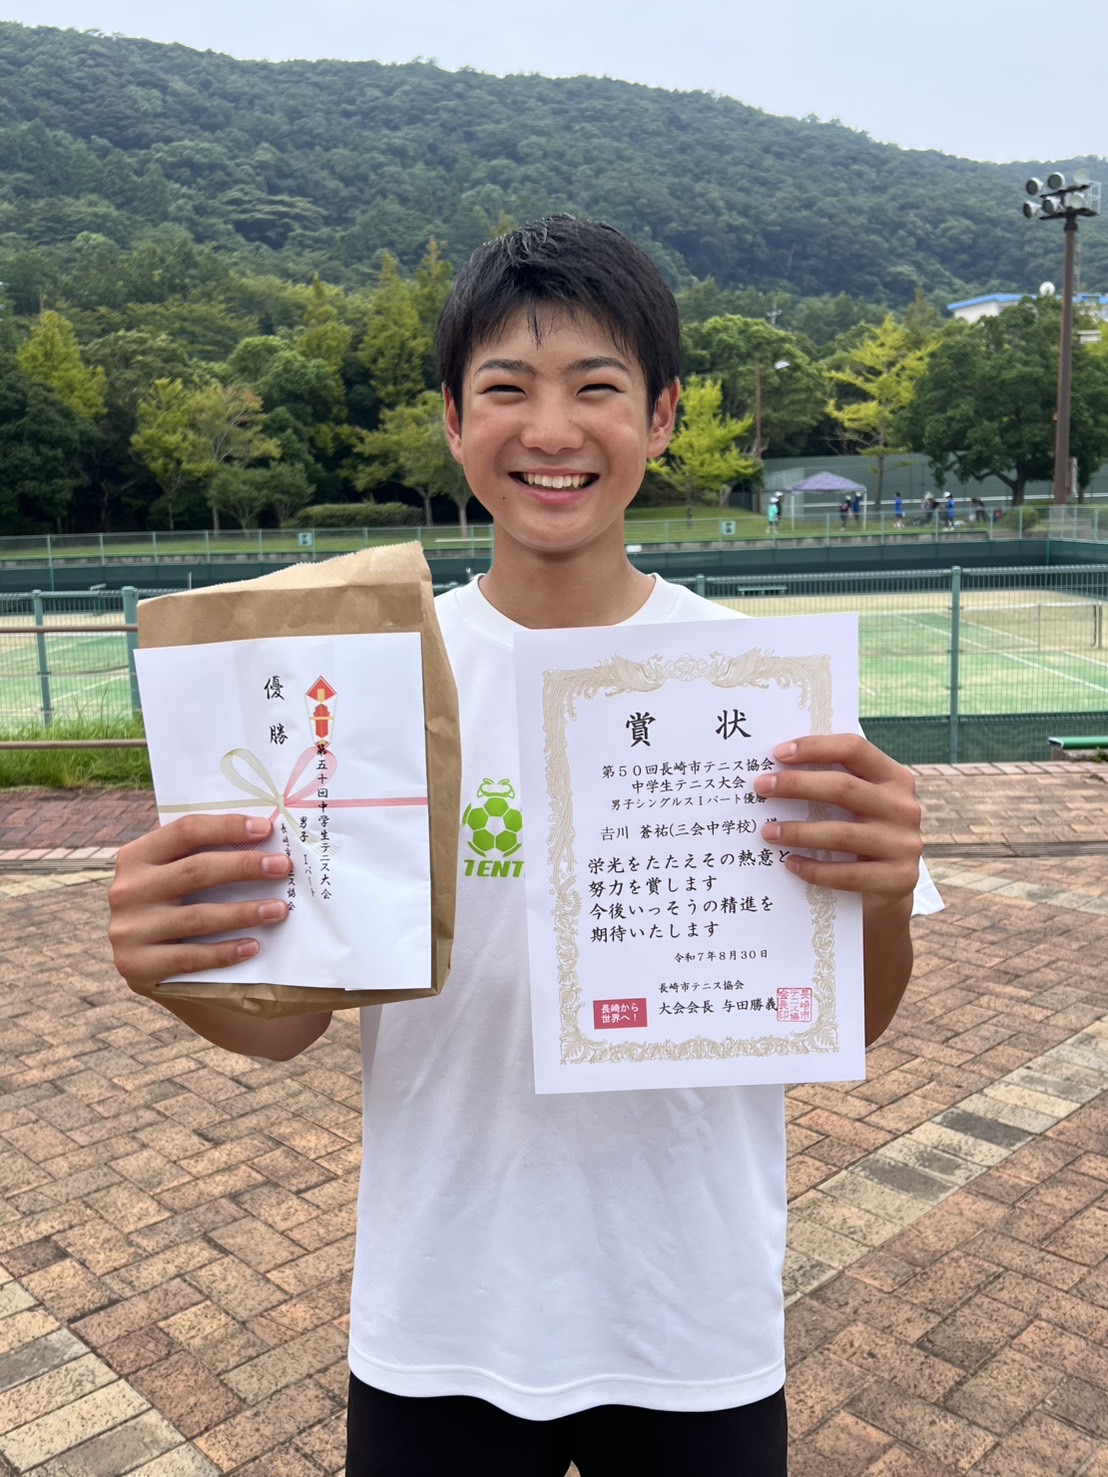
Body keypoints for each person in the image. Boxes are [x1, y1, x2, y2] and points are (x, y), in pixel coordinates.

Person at [108, 217, 934, 1477]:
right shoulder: (373, 682)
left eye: (596, 387)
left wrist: (881, 897)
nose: (551, 430)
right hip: (440, 1317)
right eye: (505, 388)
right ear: (453, 420)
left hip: (691, 1317)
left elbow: (848, 1019)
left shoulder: (761, 686)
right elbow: (288, 1026)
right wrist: (172, 965)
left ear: (661, 417)